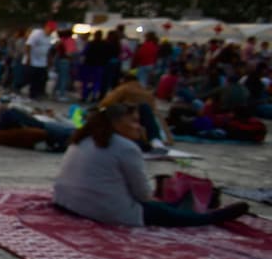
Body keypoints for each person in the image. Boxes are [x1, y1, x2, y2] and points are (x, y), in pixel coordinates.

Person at [53, 104, 249, 227]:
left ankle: (180, 205)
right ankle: (210, 217)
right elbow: (143, 195)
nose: (139, 127)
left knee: (164, 208)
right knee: (174, 216)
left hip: (68, 201)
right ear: (117, 123)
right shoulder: (126, 147)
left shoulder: (84, 138)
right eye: (134, 122)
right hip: (102, 209)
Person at [25, 24, 53, 99]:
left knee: (42, 78)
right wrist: (28, 57)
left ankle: (39, 93)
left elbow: (49, 49)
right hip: (34, 61)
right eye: (50, 30)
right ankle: (32, 94)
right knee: (34, 78)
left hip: (43, 61)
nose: (51, 32)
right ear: (46, 27)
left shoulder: (50, 37)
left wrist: (49, 60)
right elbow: (28, 45)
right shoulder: (36, 34)